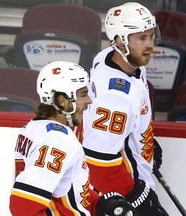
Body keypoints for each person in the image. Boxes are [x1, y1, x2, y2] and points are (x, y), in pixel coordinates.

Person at [9, 61, 138, 216]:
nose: (89, 101)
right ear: (62, 101)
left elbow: (61, 189)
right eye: (83, 94)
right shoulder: (59, 141)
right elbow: (25, 206)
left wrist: (98, 203)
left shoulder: (33, 128)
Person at [82, 2, 168, 215]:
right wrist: (135, 195)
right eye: (141, 38)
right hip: (118, 199)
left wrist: (143, 140)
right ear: (120, 42)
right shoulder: (115, 98)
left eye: (150, 36)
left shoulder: (114, 59)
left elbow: (125, 122)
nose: (150, 45)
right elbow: (99, 164)